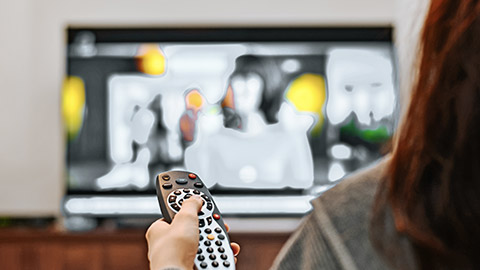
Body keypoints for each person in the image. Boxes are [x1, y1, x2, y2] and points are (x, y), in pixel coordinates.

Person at [146, 0, 480, 269]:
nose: (242, 90)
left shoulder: (344, 217)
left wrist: (170, 264)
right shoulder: (212, 139)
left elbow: (303, 185)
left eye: (251, 81)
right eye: (237, 82)